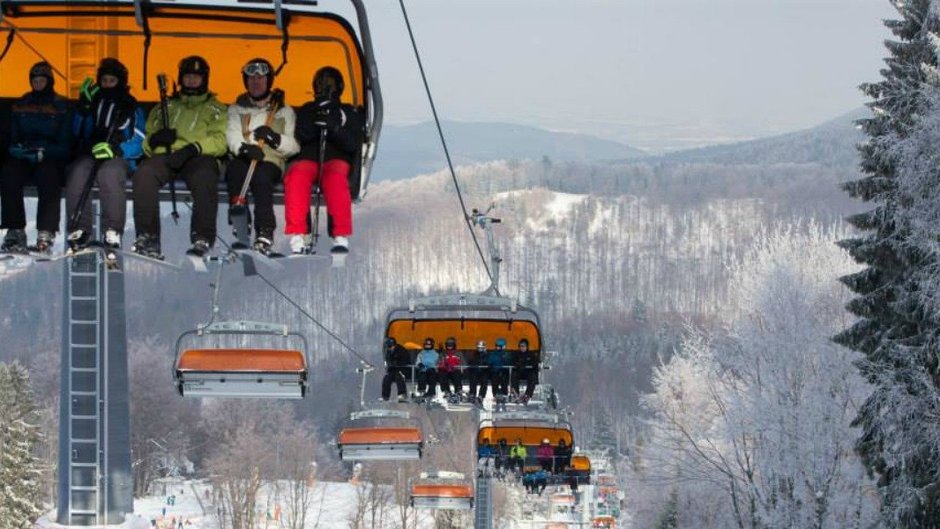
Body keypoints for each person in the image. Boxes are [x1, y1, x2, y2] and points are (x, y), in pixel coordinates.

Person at [131, 55, 227, 258]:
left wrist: (193, 148)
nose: (191, 81)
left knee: (205, 177)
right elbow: (146, 139)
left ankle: (202, 237)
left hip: (198, 156)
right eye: (187, 77)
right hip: (167, 155)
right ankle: (148, 236)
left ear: (204, 79)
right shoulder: (166, 106)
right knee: (144, 174)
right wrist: (155, 140)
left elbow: (220, 140)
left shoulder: (216, 109)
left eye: (196, 77)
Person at [66, 58, 145, 253]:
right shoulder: (94, 104)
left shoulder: (131, 107)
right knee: (78, 172)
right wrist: (82, 109)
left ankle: (112, 229)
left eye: (112, 81)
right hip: (93, 154)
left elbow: (140, 140)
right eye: (104, 81)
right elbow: (77, 132)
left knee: (109, 174)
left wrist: (118, 149)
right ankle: (79, 228)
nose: (108, 85)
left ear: (121, 82)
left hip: (120, 157)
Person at [284, 66, 364, 254]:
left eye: (329, 85)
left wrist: (335, 128)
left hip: (335, 160)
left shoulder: (347, 112)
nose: (325, 89)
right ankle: (298, 232)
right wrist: (315, 122)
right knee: (296, 176)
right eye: (321, 85)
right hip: (309, 159)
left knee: (336, 181)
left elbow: (352, 143)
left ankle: (340, 234)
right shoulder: (307, 110)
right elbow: (302, 135)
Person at [225, 58, 299, 254]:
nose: (255, 83)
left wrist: (275, 139)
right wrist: (243, 148)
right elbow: (232, 133)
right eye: (251, 79)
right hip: (245, 156)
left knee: (261, 178)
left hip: (270, 160)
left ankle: (264, 229)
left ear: (268, 81)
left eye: (260, 79)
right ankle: (240, 220)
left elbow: (293, 146)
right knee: (234, 171)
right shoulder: (236, 108)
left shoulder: (283, 111)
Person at [1, 61, 71, 254]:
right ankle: (15, 230)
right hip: (25, 154)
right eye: (35, 80)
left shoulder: (60, 106)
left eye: (42, 80)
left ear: (49, 81)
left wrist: (45, 151)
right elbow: (13, 137)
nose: (38, 84)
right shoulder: (22, 105)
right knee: (9, 174)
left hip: (49, 156)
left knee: (48, 176)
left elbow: (65, 144)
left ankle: (46, 231)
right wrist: (18, 149)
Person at [380, 337, 411, 401]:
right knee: (386, 378)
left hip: (403, 369)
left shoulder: (401, 350)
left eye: (391, 346)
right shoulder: (388, 352)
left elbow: (407, 360)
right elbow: (388, 360)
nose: (390, 348)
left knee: (399, 376)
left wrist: (397, 363)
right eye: (389, 347)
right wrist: (390, 365)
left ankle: (402, 394)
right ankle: (385, 396)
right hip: (393, 370)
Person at [511, 338, 539, 402]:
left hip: (527, 372)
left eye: (523, 346)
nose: (522, 348)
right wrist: (519, 364)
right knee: (514, 375)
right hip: (519, 372)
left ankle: (527, 394)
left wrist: (526, 364)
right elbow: (513, 362)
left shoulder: (531, 354)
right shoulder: (516, 354)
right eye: (520, 346)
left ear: (527, 347)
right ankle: (516, 393)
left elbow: (535, 362)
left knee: (532, 377)